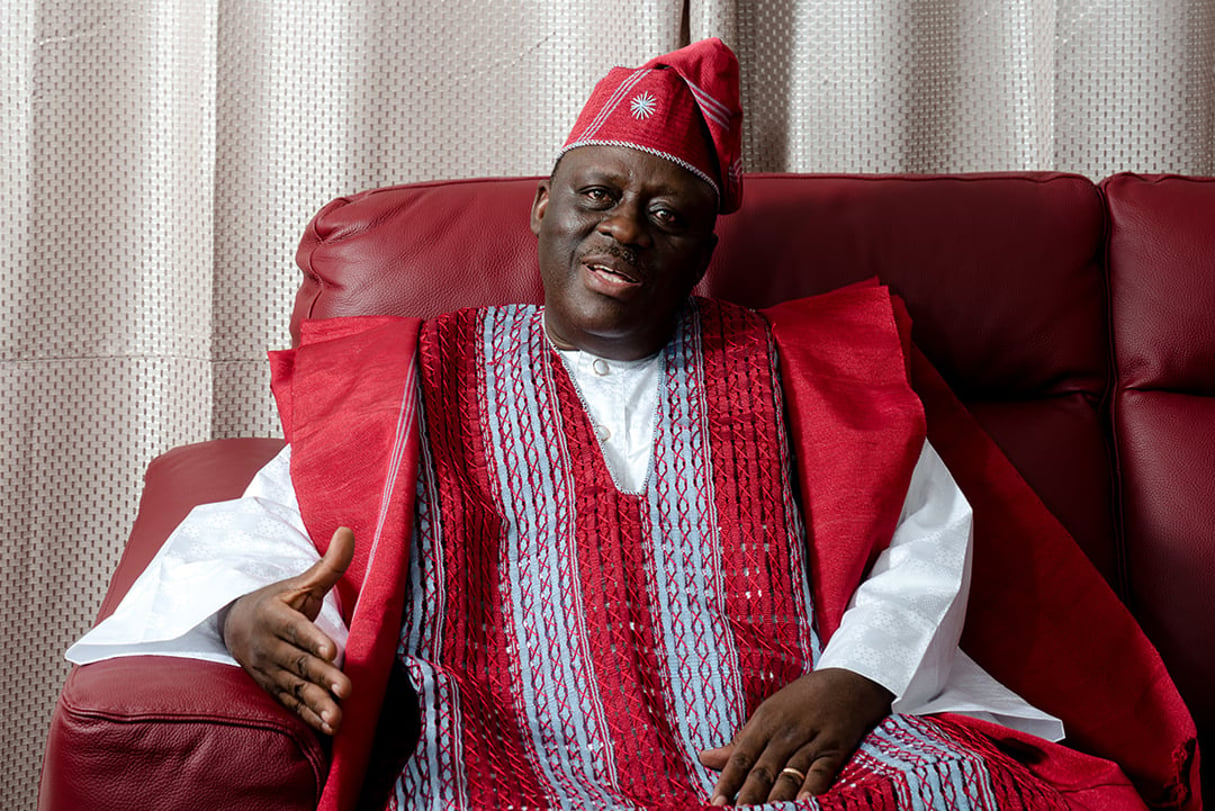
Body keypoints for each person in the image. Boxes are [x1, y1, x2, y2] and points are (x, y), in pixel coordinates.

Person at [70, 39, 1196, 810]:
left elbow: (926, 533)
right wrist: (245, 615)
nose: (625, 230)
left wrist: (859, 679)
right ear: (542, 210)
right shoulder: (424, 370)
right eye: (597, 195)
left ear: (704, 254)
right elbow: (282, 519)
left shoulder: (804, 365)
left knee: (960, 786)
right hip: (506, 752)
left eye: (667, 214)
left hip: (795, 755)